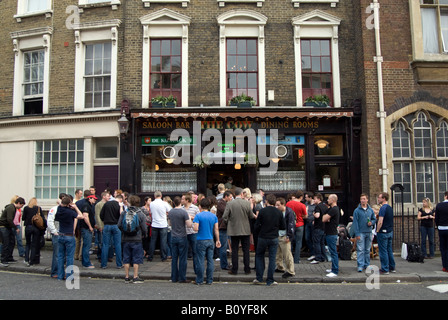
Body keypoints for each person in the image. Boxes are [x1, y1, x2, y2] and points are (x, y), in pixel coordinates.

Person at [253, 194, 285, 286]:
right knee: (272, 259)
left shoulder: (262, 211)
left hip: (262, 237)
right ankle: (270, 280)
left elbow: (256, 225)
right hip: (274, 237)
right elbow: (283, 226)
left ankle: (259, 278)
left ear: (266, 201)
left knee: (259, 256)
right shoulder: (278, 212)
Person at [223, 187, 254, 275]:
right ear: (241, 194)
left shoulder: (230, 204)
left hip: (234, 230)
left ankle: (234, 269)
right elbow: (251, 216)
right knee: (246, 250)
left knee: (235, 250)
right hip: (245, 229)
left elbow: (225, 217)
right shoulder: (247, 203)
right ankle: (247, 269)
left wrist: (230, 222)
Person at [117, 195, 148, 284]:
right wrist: (143, 235)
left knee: (126, 257)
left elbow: (119, 225)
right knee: (136, 258)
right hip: (137, 239)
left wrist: (125, 232)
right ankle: (135, 276)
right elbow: (144, 228)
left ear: (130, 202)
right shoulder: (140, 213)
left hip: (125, 239)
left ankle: (126, 277)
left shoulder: (124, 213)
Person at [55, 196, 84, 281]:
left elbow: (59, 205)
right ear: (69, 204)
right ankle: (69, 276)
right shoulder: (70, 212)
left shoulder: (59, 210)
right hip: (69, 235)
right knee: (69, 257)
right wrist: (75, 207)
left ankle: (60, 276)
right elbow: (81, 216)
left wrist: (62, 204)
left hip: (60, 234)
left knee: (60, 256)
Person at [193, 198, 221, 285]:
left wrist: (193, 224)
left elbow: (196, 228)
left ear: (200, 206)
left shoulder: (198, 216)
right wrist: (218, 240)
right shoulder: (213, 216)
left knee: (200, 260)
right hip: (210, 240)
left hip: (201, 240)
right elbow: (216, 229)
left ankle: (200, 280)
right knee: (210, 260)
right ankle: (209, 280)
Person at [168, 196, 192, 283]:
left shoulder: (170, 212)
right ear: (180, 203)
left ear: (173, 203)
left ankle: (174, 277)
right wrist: (189, 218)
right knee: (182, 258)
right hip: (182, 237)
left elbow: (169, 223)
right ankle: (182, 277)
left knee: (174, 258)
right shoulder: (183, 212)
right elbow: (189, 225)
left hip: (173, 237)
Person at [352, 194, 376, 272]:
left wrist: (371, 223)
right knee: (360, 249)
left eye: (364, 199)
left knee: (367, 249)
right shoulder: (357, 211)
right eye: (361, 199)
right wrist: (357, 234)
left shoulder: (370, 210)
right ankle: (360, 265)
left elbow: (374, 219)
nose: (362, 200)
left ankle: (367, 264)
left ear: (367, 200)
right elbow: (355, 223)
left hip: (368, 232)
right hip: (361, 232)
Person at [100, 194, 124, 269]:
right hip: (116, 226)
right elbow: (122, 215)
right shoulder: (119, 205)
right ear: (120, 199)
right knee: (117, 245)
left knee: (105, 245)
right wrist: (121, 206)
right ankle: (119, 264)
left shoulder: (106, 204)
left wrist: (105, 221)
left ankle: (103, 264)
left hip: (107, 225)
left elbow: (101, 215)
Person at [0, 197, 25, 267]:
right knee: (6, 243)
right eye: (21, 205)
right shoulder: (11, 208)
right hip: (3, 227)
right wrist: (16, 228)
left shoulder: (13, 208)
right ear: (19, 203)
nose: (21, 207)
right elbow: (9, 219)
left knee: (12, 242)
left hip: (8, 227)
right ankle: (3, 260)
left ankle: (9, 257)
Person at [274, 197, 295, 279]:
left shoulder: (289, 212)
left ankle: (291, 271)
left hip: (285, 236)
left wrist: (289, 236)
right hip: (278, 235)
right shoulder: (278, 212)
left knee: (287, 255)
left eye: (278, 205)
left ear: (283, 204)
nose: (276, 207)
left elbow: (291, 225)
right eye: (276, 205)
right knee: (278, 253)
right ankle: (280, 267)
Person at [22, 197, 47, 266]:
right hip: (36, 228)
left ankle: (26, 259)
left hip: (28, 227)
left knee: (28, 244)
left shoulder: (26, 208)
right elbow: (42, 218)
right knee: (34, 245)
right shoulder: (38, 208)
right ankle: (32, 261)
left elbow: (23, 218)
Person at [47, 193, 66, 278]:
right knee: (57, 254)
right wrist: (54, 231)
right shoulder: (54, 209)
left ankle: (60, 271)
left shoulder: (67, 209)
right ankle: (55, 272)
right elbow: (50, 221)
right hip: (57, 234)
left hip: (65, 234)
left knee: (63, 255)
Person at [376, 192, 396, 275]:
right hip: (390, 231)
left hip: (383, 232)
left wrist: (377, 230)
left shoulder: (383, 208)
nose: (378, 199)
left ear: (384, 198)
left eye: (379, 197)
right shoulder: (390, 208)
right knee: (389, 250)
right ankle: (392, 267)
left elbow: (380, 221)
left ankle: (385, 269)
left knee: (383, 251)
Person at [148, 191, 171, 262]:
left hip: (154, 224)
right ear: (161, 196)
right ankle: (163, 257)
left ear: (154, 196)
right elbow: (170, 211)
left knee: (153, 241)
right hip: (163, 224)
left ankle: (150, 256)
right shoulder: (165, 203)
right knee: (163, 241)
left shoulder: (151, 204)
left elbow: (150, 212)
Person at [286, 190, 307, 264]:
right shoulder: (302, 205)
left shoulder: (288, 203)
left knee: (290, 241)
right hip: (300, 224)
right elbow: (305, 215)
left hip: (290, 224)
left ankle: (289, 258)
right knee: (298, 242)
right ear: (301, 197)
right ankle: (296, 259)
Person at [182, 193, 200, 274]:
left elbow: (199, 219)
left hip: (193, 232)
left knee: (195, 252)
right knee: (184, 252)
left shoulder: (195, 208)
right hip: (184, 233)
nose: (181, 200)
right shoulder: (181, 209)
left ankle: (196, 270)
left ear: (187, 200)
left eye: (183, 199)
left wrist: (191, 217)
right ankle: (183, 271)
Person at [323, 194, 340, 277]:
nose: (327, 200)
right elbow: (325, 217)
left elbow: (323, 219)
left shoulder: (334, 210)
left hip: (331, 234)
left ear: (333, 200)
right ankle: (333, 268)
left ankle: (335, 271)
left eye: (329, 199)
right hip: (330, 233)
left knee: (333, 252)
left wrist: (327, 218)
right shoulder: (332, 209)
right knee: (332, 251)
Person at [79, 194, 97, 268]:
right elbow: (85, 217)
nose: (95, 200)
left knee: (87, 245)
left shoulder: (89, 205)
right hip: (86, 228)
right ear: (90, 198)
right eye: (94, 199)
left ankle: (86, 262)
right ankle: (86, 263)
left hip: (87, 228)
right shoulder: (86, 205)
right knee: (87, 246)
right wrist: (90, 226)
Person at [216, 190, 232, 270]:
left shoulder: (224, 203)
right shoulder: (221, 203)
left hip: (225, 227)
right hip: (222, 227)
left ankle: (225, 264)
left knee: (225, 246)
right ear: (225, 197)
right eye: (230, 197)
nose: (231, 198)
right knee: (223, 247)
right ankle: (224, 265)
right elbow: (227, 211)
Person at [309, 193, 328, 264]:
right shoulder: (325, 206)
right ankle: (323, 257)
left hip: (318, 227)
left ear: (319, 199)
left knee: (316, 243)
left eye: (315, 199)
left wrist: (314, 214)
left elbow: (317, 215)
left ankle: (317, 258)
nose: (314, 200)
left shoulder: (317, 207)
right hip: (324, 227)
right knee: (322, 243)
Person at [94, 191, 110, 262]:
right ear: (103, 196)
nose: (109, 197)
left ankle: (106, 256)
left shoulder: (108, 204)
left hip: (107, 225)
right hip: (102, 226)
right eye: (107, 196)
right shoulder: (99, 204)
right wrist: (99, 225)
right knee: (101, 242)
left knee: (106, 242)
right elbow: (97, 215)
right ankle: (100, 256)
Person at [435, 191, 448, 272]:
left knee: (443, 248)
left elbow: (436, 218)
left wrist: (438, 225)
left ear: (445, 196)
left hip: (441, 228)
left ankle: (445, 266)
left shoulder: (439, 205)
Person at [304, 192, 315, 261]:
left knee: (313, 238)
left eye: (306, 197)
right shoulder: (306, 204)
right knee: (307, 238)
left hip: (313, 223)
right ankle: (312, 253)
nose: (305, 198)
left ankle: (314, 254)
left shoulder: (315, 205)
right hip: (307, 222)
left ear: (310, 198)